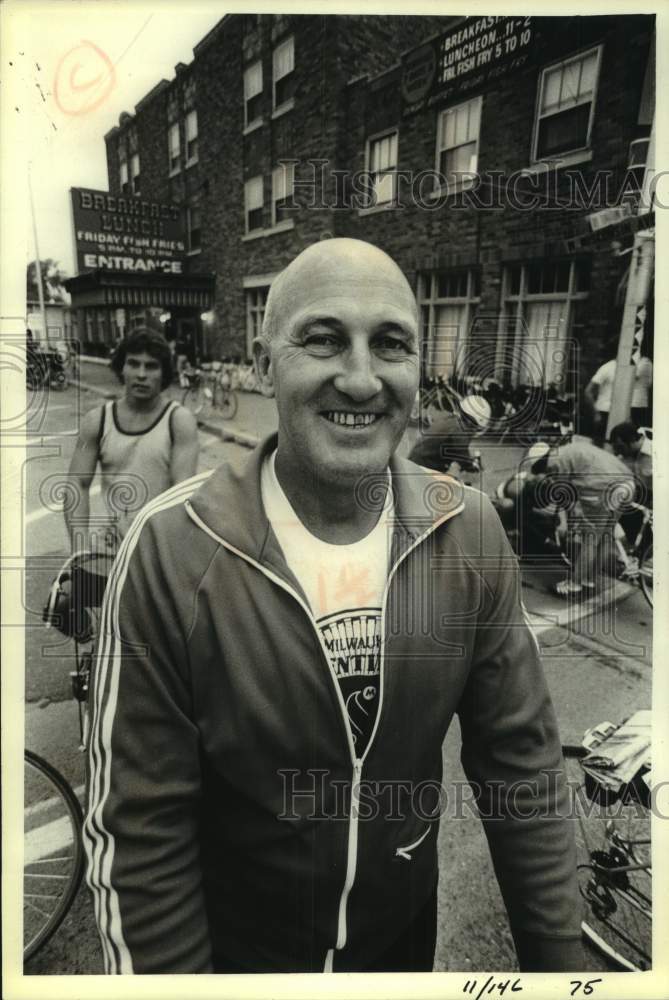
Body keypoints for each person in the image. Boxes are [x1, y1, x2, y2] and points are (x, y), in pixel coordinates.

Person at [84, 239, 582, 974]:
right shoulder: (171, 548)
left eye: (389, 344)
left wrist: (561, 972)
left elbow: (522, 770)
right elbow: (140, 836)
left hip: (401, 951)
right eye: (321, 339)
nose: (359, 379)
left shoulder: (467, 526)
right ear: (261, 366)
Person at [64, 329, 199, 552]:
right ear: (121, 368)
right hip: (110, 548)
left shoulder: (179, 421)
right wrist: (79, 549)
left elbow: (181, 495)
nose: (141, 374)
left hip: (158, 551)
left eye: (151, 366)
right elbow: (77, 484)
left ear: (164, 372)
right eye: (133, 364)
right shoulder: (97, 420)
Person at [531, 435, 635, 597]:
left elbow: (566, 495)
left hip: (603, 488)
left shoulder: (555, 462)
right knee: (605, 535)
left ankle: (575, 584)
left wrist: (566, 521)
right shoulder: (571, 449)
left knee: (591, 539)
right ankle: (590, 579)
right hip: (627, 484)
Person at [408, 395, 491, 478]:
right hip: (422, 468)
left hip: (418, 461)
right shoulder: (461, 431)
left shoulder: (453, 420)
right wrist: (474, 466)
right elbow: (463, 459)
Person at [585, 353, 653, 444]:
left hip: (619, 412)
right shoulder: (607, 367)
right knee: (600, 442)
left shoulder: (633, 368)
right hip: (604, 412)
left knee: (615, 443)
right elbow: (588, 391)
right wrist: (596, 413)